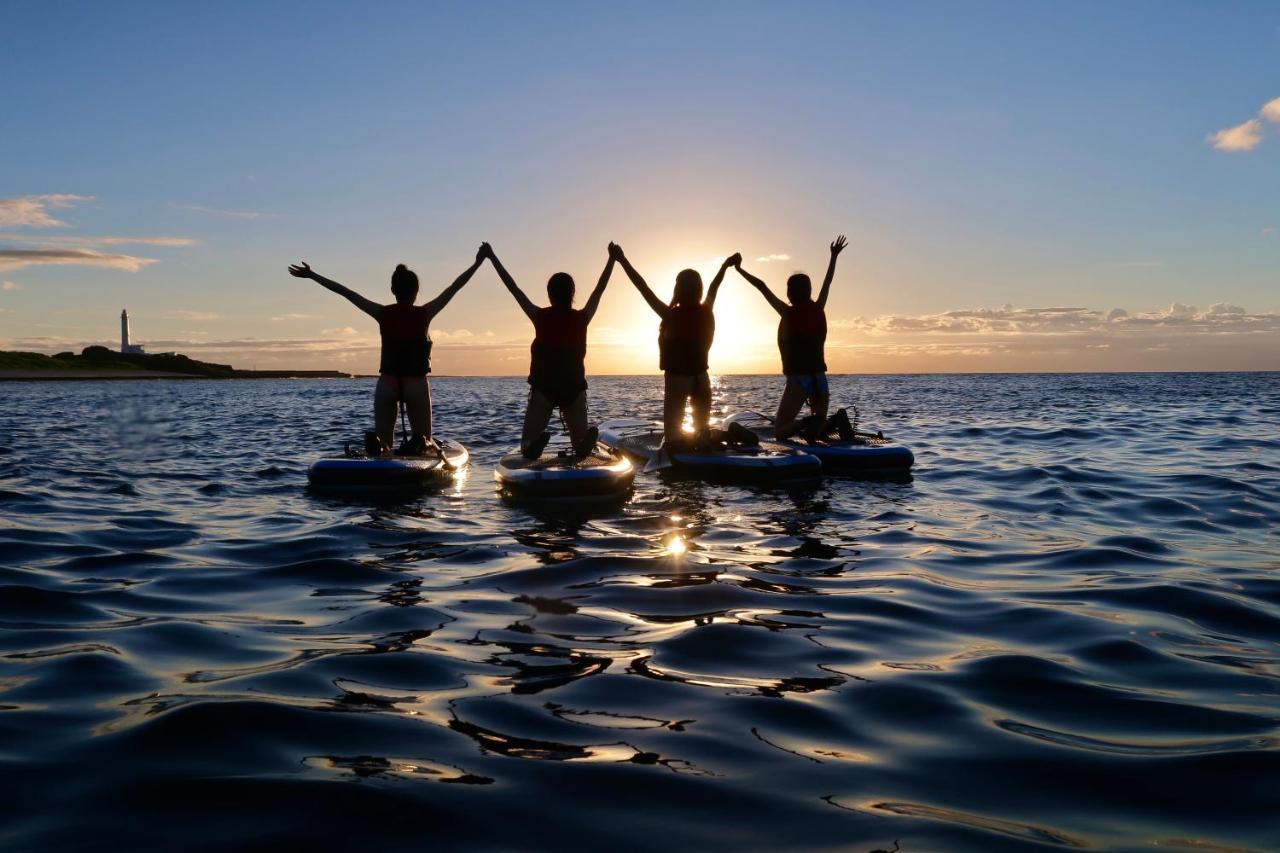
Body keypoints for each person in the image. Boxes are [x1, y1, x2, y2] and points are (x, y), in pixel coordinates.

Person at [287, 247, 486, 455]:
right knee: (425, 440)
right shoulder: (425, 313)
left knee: (384, 448)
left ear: (393, 290)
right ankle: (420, 443)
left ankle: (380, 446)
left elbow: (346, 292)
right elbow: (455, 287)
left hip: (387, 385)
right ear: (416, 292)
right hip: (415, 384)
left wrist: (312, 275)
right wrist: (478, 263)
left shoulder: (382, 313)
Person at [482, 241, 615, 459]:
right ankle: (581, 442)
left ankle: (534, 444)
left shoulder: (539, 316)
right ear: (572, 294)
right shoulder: (582, 318)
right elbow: (600, 289)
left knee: (526, 446)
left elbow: (513, 288)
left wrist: (491, 256)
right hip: (573, 389)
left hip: (544, 389)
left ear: (550, 295)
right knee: (579, 442)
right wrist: (612, 259)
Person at [610, 243, 739, 444]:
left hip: (678, 379)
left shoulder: (670, 315)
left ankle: (706, 438)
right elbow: (715, 285)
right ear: (699, 289)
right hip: (702, 379)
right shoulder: (707, 310)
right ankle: (723, 434)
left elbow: (643, 287)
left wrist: (622, 260)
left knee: (672, 438)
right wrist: (725, 265)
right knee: (701, 430)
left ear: (678, 288)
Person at [732, 235, 855, 442]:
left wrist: (739, 269)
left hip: (799, 379)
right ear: (809, 291)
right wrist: (833, 257)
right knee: (817, 431)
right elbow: (828, 282)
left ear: (789, 293)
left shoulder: (787, 312)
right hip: (820, 379)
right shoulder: (818, 307)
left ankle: (807, 422)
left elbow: (761, 286)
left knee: (780, 431)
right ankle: (835, 420)